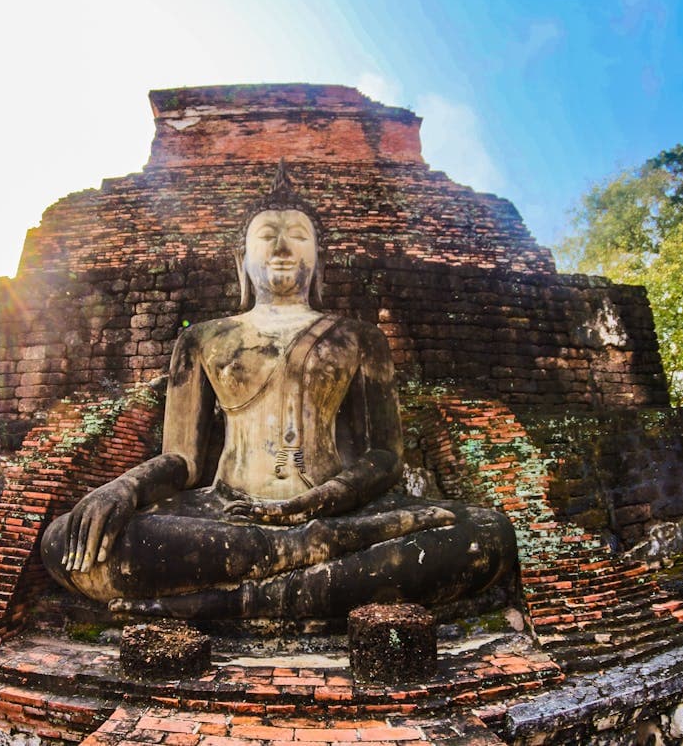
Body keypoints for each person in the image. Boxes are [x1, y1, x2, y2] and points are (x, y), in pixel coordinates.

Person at [39, 164, 516, 619]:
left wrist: (320, 502)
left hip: (335, 513)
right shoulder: (202, 338)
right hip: (227, 514)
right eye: (267, 235)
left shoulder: (359, 337)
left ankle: (231, 600)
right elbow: (183, 460)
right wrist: (125, 487)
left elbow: (385, 456)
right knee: (65, 541)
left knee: (486, 534)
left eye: (299, 236)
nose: (283, 247)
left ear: (318, 259)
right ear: (241, 260)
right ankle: (302, 565)